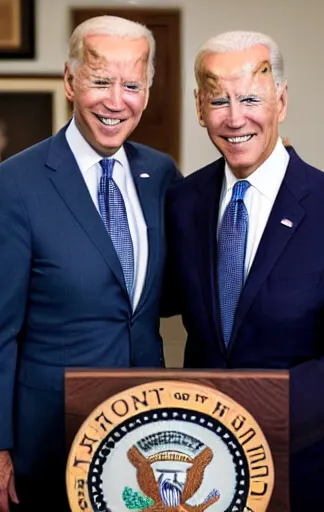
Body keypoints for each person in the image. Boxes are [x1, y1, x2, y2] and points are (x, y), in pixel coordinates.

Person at [0, 15, 179, 512]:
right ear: (69, 81)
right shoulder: (15, 184)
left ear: (146, 93)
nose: (115, 99)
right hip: (49, 438)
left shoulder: (162, 175)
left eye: (131, 84)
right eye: (100, 80)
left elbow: (169, 292)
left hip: (148, 432)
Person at [163, 30, 324, 510]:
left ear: (281, 99)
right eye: (219, 101)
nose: (235, 119)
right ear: (198, 107)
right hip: (203, 466)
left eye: (251, 98)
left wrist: (262, 411)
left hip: (306, 462)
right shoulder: (181, 202)